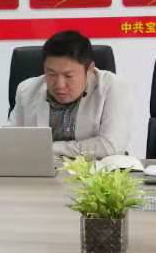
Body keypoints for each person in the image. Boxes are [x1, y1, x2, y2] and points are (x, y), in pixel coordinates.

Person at [9, 29, 131, 159]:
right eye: (51, 74)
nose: (59, 84)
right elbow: (10, 140)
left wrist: (48, 148)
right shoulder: (27, 90)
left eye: (68, 76)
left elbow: (110, 146)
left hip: (97, 169)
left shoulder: (113, 87)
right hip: (40, 168)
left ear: (89, 69)